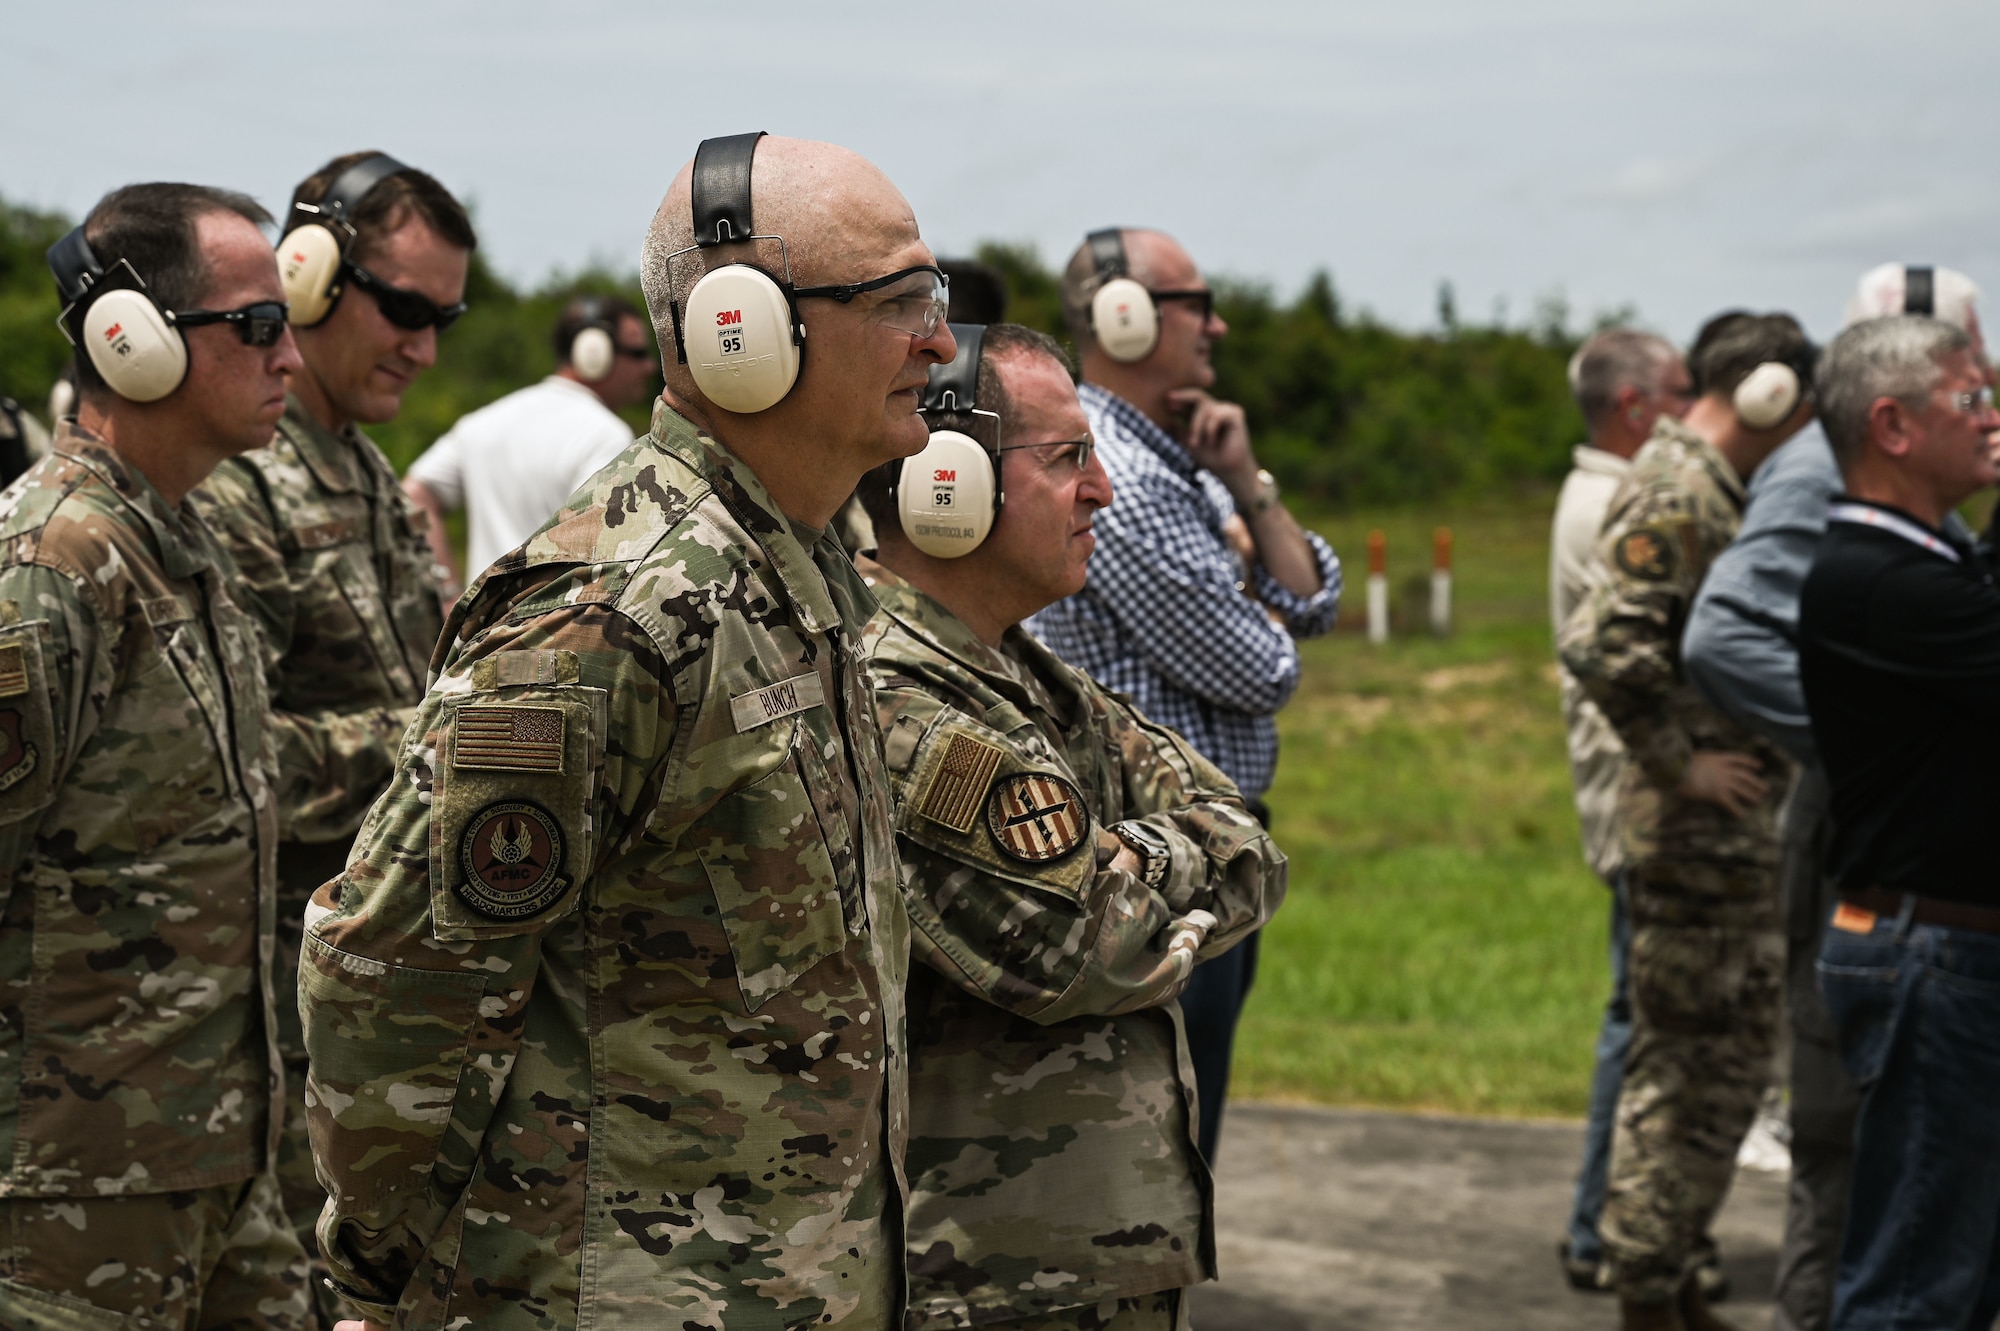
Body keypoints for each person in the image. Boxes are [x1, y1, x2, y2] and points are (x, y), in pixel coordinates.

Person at [304, 132, 951, 1330]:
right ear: (740, 327)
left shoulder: (803, 574)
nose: (940, 341)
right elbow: (393, 974)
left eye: (936, 294)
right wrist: (378, 1272)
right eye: (900, 298)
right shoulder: (615, 614)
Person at [854, 323, 1287, 1331]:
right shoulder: (897, 697)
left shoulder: (1034, 682)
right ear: (944, 482)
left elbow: (1247, 843)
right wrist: (1148, 868)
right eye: (1067, 460)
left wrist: (1130, 855)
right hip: (988, 1283)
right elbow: (1094, 942)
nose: (1100, 491)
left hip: (1067, 1269)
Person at [0, 183, 309, 1327]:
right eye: (259, 326)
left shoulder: (174, 542)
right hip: (65, 1205)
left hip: (217, 1169)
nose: (291, 357)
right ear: (127, 340)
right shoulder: (54, 566)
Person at [188, 149, 473, 1324]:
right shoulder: (236, 488)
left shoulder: (364, 470)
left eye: (444, 317)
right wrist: (440, 740)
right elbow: (230, 761)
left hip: (379, 1015)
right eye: (404, 308)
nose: (426, 346)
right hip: (278, 1026)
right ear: (307, 281)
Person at [1682, 265, 1988, 1331]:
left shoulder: (1902, 503)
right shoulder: (1830, 480)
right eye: (1972, 384)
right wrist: (1868, 741)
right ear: (1896, 403)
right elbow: (1719, 635)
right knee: (1856, 1166)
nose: (1988, 404)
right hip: (1885, 868)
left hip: (1903, 863)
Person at [1030, 227, 1341, 1165]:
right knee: (1163, 1137)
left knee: (1185, 1119)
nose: (1219, 323)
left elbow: (1311, 598)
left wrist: (1247, 484)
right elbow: (1265, 667)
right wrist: (1244, 579)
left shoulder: (1181, 456)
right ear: (1122, 318)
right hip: (1163, 855)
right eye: (1196, 302)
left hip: (1204, 844)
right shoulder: (1121, 470)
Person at [1559, 310, 1816, 1330]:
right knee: (1685, 1073)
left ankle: (1661, 1281)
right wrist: (1681, 764)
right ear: (1767, 396)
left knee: (1720, 1066)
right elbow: (1602, 645)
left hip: (1725, 844)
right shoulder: (1675, 488)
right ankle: (1644, 1292)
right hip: (1694, 841)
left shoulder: (1702, 482)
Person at [1797, 315, 2000, 1331]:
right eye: (1972, 399)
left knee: (1952, 1281)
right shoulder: (1878, 580)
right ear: (1890, 425)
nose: (1992, 420)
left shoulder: (1924, 562)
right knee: (1913, 1289)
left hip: (1947, 946)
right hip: (1936, 955)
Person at [1549, 327, 1695, 1292]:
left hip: (1622, 786)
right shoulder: (1621, 504)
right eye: (1683, 392)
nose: (1696, 412)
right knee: (1646, 1015)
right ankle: (1606, 1225)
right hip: (1641, 794)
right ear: (1638, 406)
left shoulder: (1594, 493)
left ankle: (1606, 1222)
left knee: (1634, 1008)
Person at [404, 292, 655, 593]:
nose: (648, 367)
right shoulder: (607, 436)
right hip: (550, 633)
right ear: (594, 352)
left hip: (475, 636)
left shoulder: (481, 423)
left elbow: (414, 494)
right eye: (638, 353)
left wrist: (446, 594)